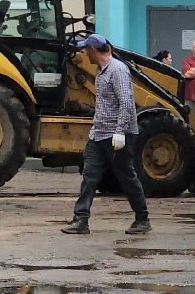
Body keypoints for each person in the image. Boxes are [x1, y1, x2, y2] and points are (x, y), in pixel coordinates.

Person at [62, 34, 150, 236]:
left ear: (93, 50)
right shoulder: (100, 71)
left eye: (86, 50)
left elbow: (126, 103)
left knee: (127, 177)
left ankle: (142, 218)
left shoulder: (117, 70)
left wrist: (120, 131)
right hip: (99, 135)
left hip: (117, 136)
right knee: (89, 177)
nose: (85, 54)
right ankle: (81, 219)